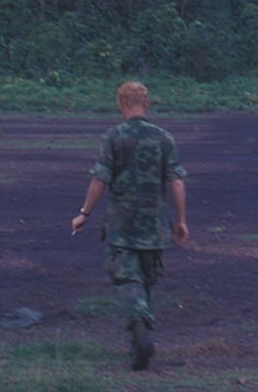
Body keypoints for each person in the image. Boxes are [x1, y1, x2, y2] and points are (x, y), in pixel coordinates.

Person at [71, 81, 188, 370]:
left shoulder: (114, 137)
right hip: (154, 225)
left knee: (128, 280)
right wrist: (181, 221)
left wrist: (84, 213)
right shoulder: (165, 139)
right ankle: (139, 340)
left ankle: (139, 330)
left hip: (122, 225)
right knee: (147, 279)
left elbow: (100, 179)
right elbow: (176, 181)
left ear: (121, 103)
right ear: (145, 104)